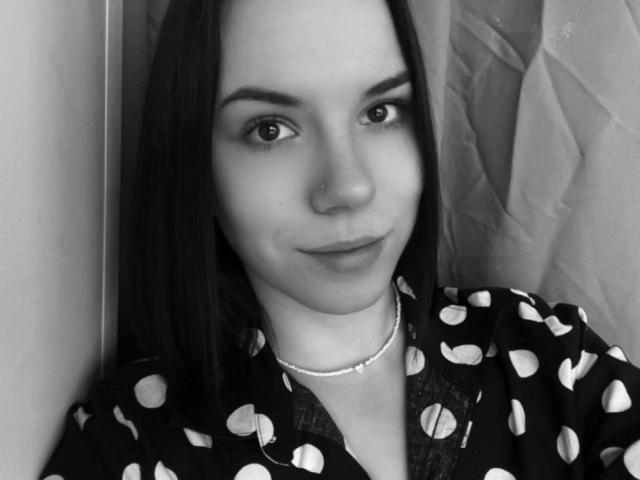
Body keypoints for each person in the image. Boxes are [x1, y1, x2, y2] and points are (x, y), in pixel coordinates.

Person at [40, 0, 640, 479]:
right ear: (195, 164)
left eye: (380, 112)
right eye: (270, 129)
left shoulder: (554, 363)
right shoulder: (128, 443)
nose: (349, 187)